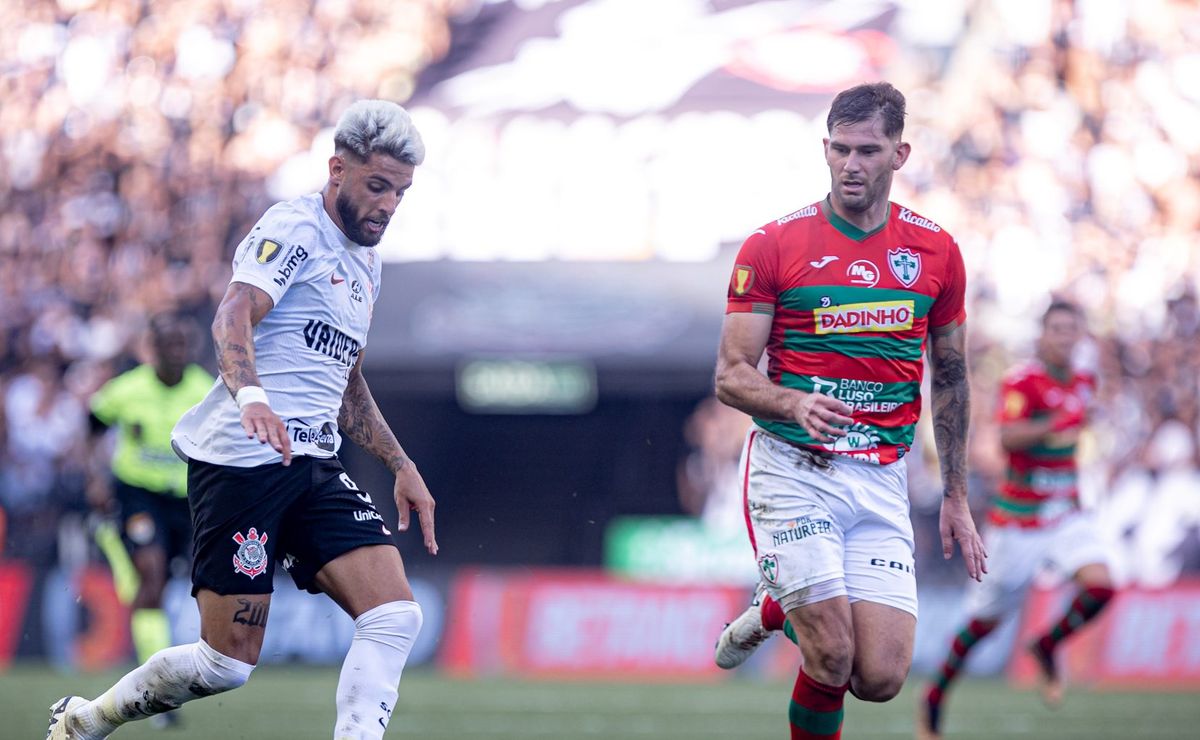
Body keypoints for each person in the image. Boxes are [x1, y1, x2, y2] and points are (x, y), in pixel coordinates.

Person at [48, 99, 439, 740]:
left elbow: (347, 381)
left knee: (395, 616)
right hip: (242, 463)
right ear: (337, 169)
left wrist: (401, 464)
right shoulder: (295, 228)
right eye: (377, 186)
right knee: (225, 665)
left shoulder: (367, 262)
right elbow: (232, 315)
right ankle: (90, 719)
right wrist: (252, 397)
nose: (389, 205)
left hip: (312, 464)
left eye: (401, 191)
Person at [711, 82, 987, 740]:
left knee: (880, 678)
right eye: (840, 148)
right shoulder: (774, 245)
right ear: (825, 149)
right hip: (793, 470)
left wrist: (955, 495)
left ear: (900, 153)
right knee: (831, 654)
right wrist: (793, 401)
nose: (851, 163)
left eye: (868, 150)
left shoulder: (936, 252)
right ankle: (797, 606)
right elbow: (730, 375)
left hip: (883, 478)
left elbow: (950, 375)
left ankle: (777, 607)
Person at [916, 300, 1115, 740]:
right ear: (1043, 335)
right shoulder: (1023, 381)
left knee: (1101, 585)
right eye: (1057, 329)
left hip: (1063, 514)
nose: (1065, 337)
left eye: (1072, 329)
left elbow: (1071, 445)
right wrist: (1054, 422)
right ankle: (934, 698)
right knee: (983, 623)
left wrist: (1077, 488)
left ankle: (1046, 644)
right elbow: (1007, 437)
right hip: (1018, 522)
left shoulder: (1085, 380)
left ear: (1081, 336)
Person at [86, 313, 214, 729]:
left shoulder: (203, 390)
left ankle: (159, 666)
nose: (176, 352)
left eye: (182, 345)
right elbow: (92, 426)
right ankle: (154, 687)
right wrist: (95, 479)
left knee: (181, 581)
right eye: (168, 345)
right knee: (152, 574)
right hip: (137, 493)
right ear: (152, 349)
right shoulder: (127, 389)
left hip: (184, 500)